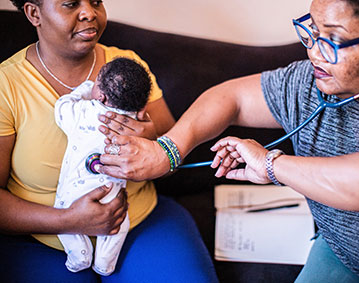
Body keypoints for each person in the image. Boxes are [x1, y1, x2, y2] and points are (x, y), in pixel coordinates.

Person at [97, 0, 359, 282]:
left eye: (332, 39)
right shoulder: (311, 80)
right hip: (340, 251)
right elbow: (231, 98)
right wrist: (168, 149)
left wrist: (272, 164)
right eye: (312, 31)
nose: (314, 51)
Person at [0, 0, 218, 282]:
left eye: (96, 2)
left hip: (138, 221)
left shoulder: (127, 67)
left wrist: (151, 140)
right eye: (70, 4)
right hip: (42, 239)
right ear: (34, 13)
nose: (89, 12)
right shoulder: (7, 86)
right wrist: (68, 220)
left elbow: (175, 154)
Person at [54, 57, 152, 275]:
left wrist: (83, 90)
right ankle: (105, 263)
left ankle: (79, 254)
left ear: (101, 96)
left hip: (75, 192)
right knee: (119, 225)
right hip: (112, 193)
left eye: (96, 80)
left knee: (62, 210)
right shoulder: (135, 123)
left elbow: (61, 108)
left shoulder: (83, 113)